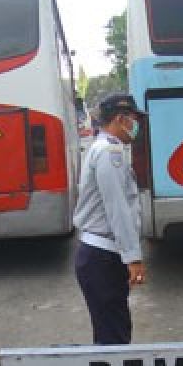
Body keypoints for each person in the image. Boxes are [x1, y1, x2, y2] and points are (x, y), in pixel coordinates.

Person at [73, 93, 146, 345]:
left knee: (111, 331)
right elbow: (118, 208)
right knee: (113, 336)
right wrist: (133, 257)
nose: (137, 126)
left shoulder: (105, 148)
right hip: (102, 256)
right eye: (134, 119)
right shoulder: (109, 152)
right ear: (120, 119)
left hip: (99, 255)